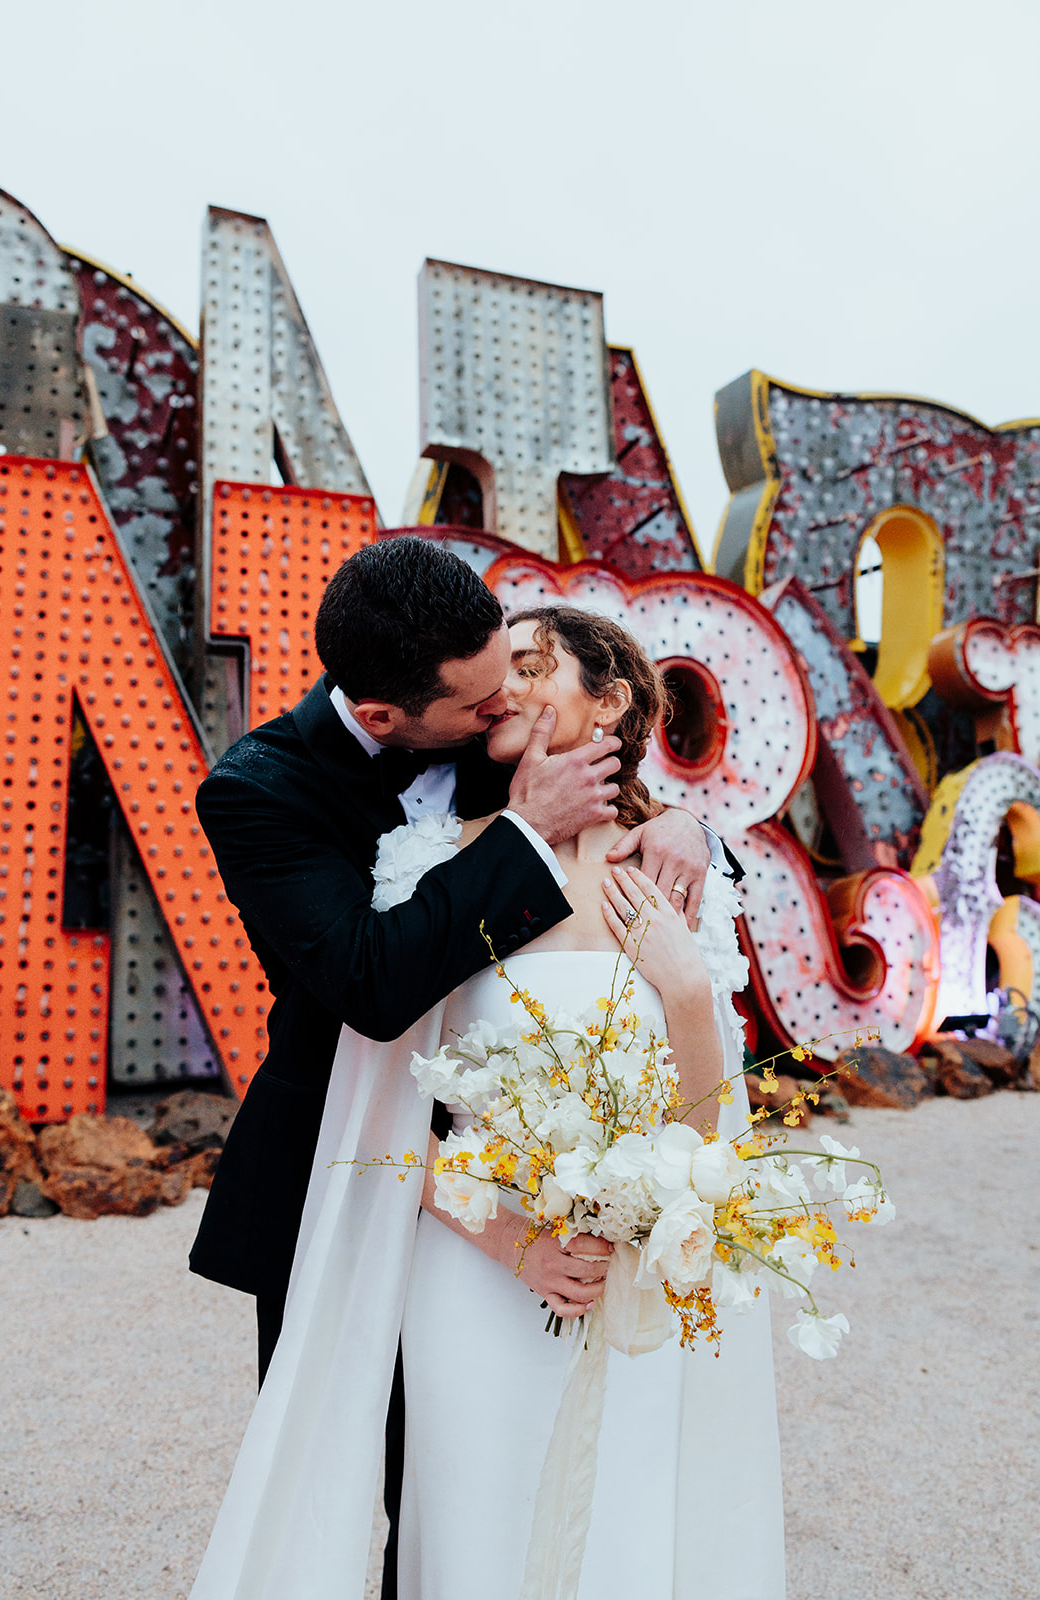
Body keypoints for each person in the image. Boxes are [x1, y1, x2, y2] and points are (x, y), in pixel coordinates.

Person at [188, 601, 783, 1600]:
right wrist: (513, 1238)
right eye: (491, 675)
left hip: (626, 1273)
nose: (503, 692)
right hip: (439, 1246)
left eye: (529, 665)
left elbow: (711, 1122)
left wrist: (683, 965)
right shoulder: (399, 846)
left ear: (612, 701)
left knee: (622, 1529)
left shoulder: (673, 877)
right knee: (402, 1507)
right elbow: (378, 1104)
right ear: (389, 712)